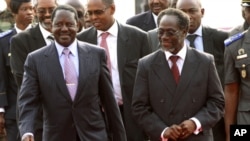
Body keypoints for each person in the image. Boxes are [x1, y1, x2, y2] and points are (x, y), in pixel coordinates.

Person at [18, 4, 126, 141]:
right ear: (51, 26)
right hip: (56, 136)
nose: (64, 29)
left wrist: (119, 136)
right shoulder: (35, 60)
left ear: (78, 25)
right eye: (59, 24)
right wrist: (27, 132)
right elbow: (28, 102)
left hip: (94, 135)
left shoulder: (96, 54)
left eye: (69, 24)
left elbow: (109, 101)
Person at [132, 8, 225, 141]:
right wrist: (163, 130)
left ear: (184, 32)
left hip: (197, 137)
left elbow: (217, 102)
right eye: (161, 32)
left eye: (170, 32)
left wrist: (195, 123)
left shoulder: (205, 61)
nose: (164, 37)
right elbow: (139, 108)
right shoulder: (146, 64)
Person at [77, 0, 151, 140]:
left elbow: (148, 80)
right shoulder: (81, 40)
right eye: (90, 13)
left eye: (98, 12)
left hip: (130, 115)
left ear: (112, 9)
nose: (93, 17)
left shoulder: (138, 37)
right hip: (96, 116)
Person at [176, 0, 228, 140]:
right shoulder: (167, 42)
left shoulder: (221, 39)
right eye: (182, 12)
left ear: (202, 12)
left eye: (192, 11)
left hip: (217, 118)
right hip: (181, 123)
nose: (187, 16)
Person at [10, 0, 58, 141]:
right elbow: (23, 81)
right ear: (36, 11)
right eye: (42, 10)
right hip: (37, 119)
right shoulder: (21, 40)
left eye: (52, 9)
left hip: (69, 119)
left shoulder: (71, 36)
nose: (48, 14)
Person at [0, 0, 33, 140]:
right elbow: (1, 76)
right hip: (14, 110)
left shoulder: (41, 37)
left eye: (31, 9)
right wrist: (1, 110)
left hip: (41, 112)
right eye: (24, 9)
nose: (30, 12)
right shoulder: (4, 41)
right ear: (14, 13)